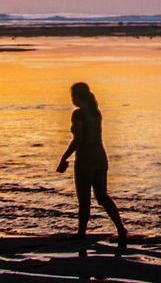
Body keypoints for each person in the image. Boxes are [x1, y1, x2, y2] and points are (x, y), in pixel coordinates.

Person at [56, 82, 127, 247]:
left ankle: (81, 233)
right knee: (102, 196)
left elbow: (78, 139)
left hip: (85, 159)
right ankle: (121, 229)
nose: (72, 99)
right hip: (100, 157)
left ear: (77, 97)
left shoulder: (78, 114)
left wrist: (63, 158)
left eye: (72, 96)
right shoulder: (96, 113)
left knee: (84, 200)